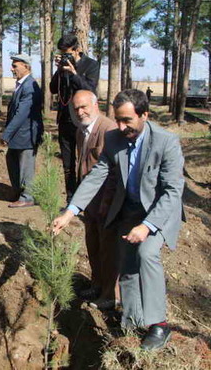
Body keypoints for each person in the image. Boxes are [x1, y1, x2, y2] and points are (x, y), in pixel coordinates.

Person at [52, 89, 185, 351]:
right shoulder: (114, 139)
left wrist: (147, 226)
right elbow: (96, 175)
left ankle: (159, 325)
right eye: (118, 120)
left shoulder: (166, 142)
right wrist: (70, 211)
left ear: (144, 115)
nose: (122, 127)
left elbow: (172, 192)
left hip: (158, 210)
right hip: (129, 209)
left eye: (128, 120)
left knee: (146, 254)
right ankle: (133, 320)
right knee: (126, 262)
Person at [69, 89, 119, 310]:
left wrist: (107, 204)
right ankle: (97, 284)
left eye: (84, 107)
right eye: (76, 108)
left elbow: (115, 172)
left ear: (96, 105)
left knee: (109, 249)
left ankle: (112, 295)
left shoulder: (109, 130)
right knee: (93, 244)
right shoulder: (81, 131)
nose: (80, 112)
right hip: (89, 202)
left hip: (107, 203)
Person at [50, 34, 99, 203]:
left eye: (68, 52)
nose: (65, 55)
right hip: (65, 120)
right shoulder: (62, 66)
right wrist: (58, 69)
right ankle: (71, 200)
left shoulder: (91, 65)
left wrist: (74, 72)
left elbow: (90, 89)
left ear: (77, 49)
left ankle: (85, 200)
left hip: (83, 120)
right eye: (62, 53)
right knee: (67, 163)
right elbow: (52, 89)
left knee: (85, 161)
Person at [2, 54, 44, 208]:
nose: (12, 69)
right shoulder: (22, 84)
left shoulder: (29, 86)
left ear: (26, 66)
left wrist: (7, 134)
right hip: (19, 134)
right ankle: (17, 191)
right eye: (12, 65)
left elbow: (22, 114)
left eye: (15, 65)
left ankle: (27, 197)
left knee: (26, 165)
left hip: (27, 134)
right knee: (12, 159)